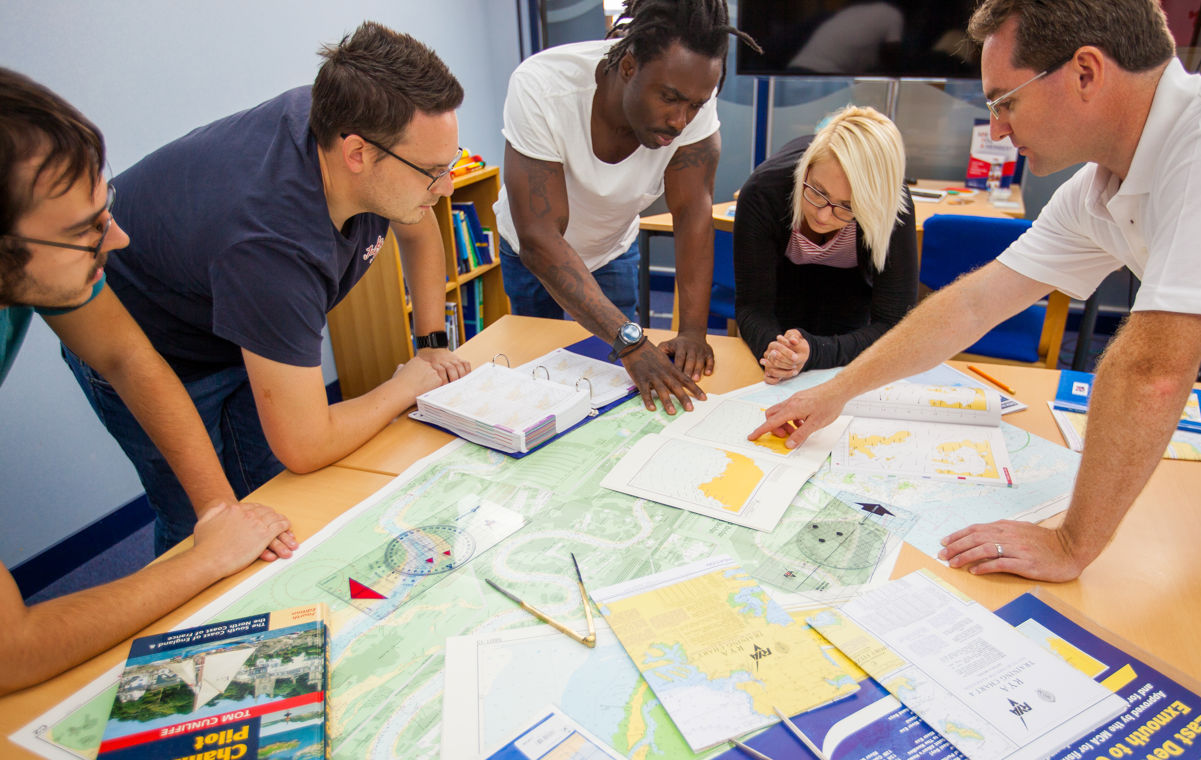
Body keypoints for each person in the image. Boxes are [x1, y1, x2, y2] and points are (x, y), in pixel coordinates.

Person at [750, 0, 1201, 582]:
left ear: (1085, 73)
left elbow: (1152, 368)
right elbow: (972, 304)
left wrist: (1071, 544)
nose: (996, 127)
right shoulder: (1100, 189)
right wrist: (836, 393)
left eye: (1004, 101)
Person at [64, 22, 472, 554]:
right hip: (147, 338)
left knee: (273, 497)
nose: (444, 190)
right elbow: (306, 443)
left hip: (230, 318)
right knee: (203, 525)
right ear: (358, 155)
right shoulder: (272, 246)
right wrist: (407, 384)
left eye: (449, 166)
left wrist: (432, 343)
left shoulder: (353, 120)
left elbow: (419, 235)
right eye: (432, 173)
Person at [0, 69, 294, 694]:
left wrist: (216, 511)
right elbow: (10, 651)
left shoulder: (42, 258)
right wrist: (205, 558)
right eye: (87, 231)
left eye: (105, 211)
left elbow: (127, 355)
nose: (119, 239)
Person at [495, 0, 759, 415]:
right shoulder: (543, 86)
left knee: (620, 392)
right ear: (629, 66)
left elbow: (693, 214)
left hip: (612, 247)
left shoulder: (693, 102)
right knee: (537, 384)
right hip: (533, 253)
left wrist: (692, 331)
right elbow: (541, 236)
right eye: (670, 98)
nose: (680, 120)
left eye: (694, 105)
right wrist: (630, 340)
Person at [733, 105, 917, 384]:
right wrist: (777, 352)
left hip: (851, 296)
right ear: (806, 168)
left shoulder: (892, 208)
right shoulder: (763, 192)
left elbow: (894, 325)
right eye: (818, 191)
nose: (822, 215)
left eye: (846, 207)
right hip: (781, 292)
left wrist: (818, 353)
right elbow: (752, 307)